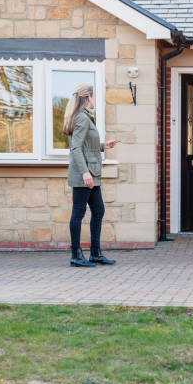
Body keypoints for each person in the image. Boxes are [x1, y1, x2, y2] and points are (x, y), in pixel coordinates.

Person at [63, 84, 118, 267]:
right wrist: (85, 172)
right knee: (78, 213)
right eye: (94, 97)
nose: (95, 100)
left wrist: (103, 145)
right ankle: (76, 256)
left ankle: (95, 253)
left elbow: (86, 144)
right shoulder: (82, 118)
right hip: (85, 174)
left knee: (99, 210)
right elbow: (76, 147)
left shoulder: (84, 117)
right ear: (88, 98)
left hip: (91, 173)